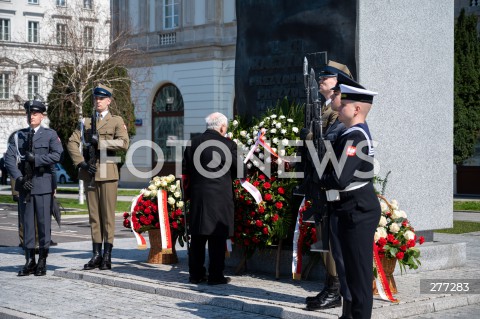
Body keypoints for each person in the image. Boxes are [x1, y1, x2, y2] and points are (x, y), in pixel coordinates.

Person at [316, 82, 380, 319]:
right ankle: (349, 315)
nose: (338, 108)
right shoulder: (351, 133)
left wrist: (319, 175)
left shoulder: (355, 136)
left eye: (343, 105)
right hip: (348, 207)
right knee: (347, 270)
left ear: (356, 110)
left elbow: (340, 178)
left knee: (358, 273)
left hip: (357, 209)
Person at [306, 64, 356, 316]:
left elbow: (333, 141)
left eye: (326, 78)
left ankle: (335, 289)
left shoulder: (340, 113)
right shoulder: (324, 109)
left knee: (331, 237)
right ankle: (330, 285)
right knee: (323, 234)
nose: (322, 81)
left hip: (334, 181)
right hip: (320, 180)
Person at [67, 84, 129, 270]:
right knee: (94, 216)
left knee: (108, 216)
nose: (98, 101)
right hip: (90, 171)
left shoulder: (116, 120)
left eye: (102, 98)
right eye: (96, 98)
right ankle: (96, 254)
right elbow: (72, 142)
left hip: (108, 171)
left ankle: (107, 255)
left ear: (109, 100)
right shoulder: (85, 122)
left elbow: (124, 143)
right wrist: (81, 163)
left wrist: (100, 142)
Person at [182, 112, 244, 285]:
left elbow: (185, 170)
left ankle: (196, 274)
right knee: (217, 237)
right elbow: (240, 171)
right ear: (222, 127)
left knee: (198, 237)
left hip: (198, 196)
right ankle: (216, 275)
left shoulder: (193, 143)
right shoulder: (228, 144)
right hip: (220, 197)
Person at [4, 100, 63, 276]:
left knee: (44, 225)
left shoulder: (50, 135)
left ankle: (42, 261)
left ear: (42, 116)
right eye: (29, 113)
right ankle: (29, 261)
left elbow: (57, 155)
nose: (32, 117)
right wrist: (20, 179)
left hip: (43, 184)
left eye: (35, 114)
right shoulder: (18, 136)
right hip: (26, 187)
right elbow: (9, 159)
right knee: (27, 224)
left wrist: (36, 159)